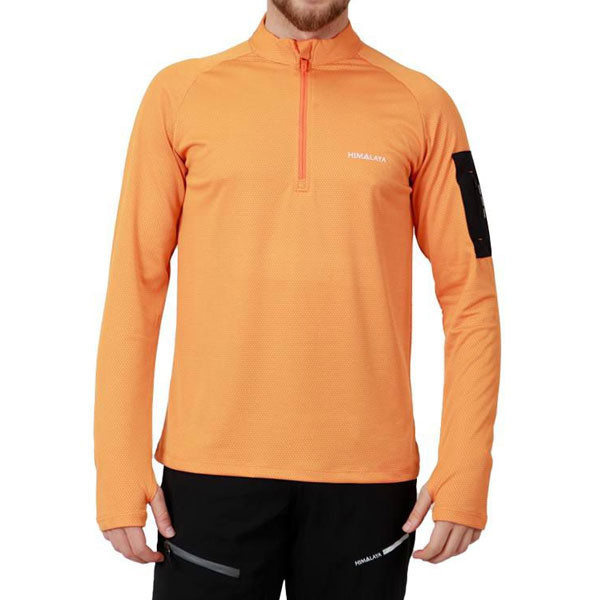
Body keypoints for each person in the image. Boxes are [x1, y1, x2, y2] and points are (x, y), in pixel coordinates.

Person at [94, 0, 501, 597]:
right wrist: (117, 461)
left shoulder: (424, 105)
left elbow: (471, 298)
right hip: (209, 474)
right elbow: (135, 285)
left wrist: (467, 463)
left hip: (368, 481)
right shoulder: (179, 96)